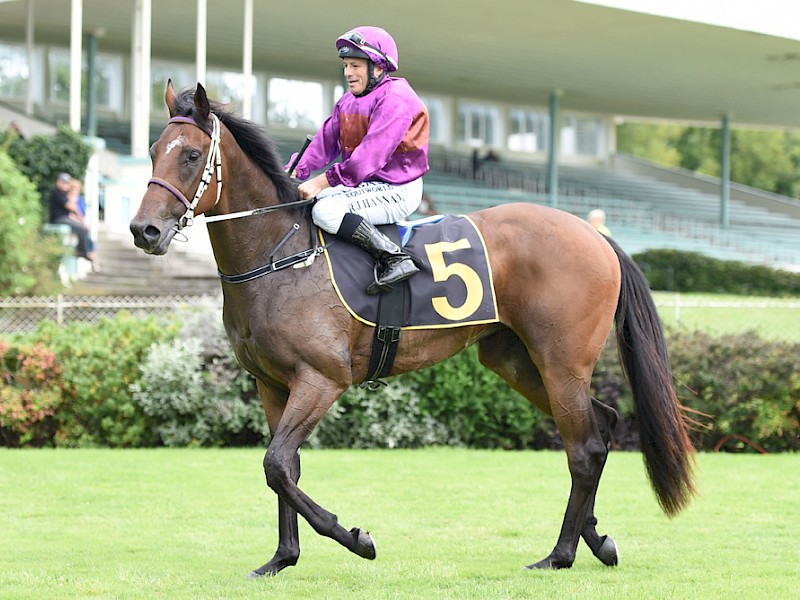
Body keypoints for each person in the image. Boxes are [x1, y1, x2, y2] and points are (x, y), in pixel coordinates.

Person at [285, 25, 430, 295]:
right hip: (366, 184)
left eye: (355, 65)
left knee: (324, 210)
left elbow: (366, 160)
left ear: (378, 67)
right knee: (306, 201)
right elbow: (322, 144)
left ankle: (394, 258)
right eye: (345, 65)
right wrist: (292, 171)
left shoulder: (395, 100)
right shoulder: (348, 102)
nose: (348, 73)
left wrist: (321, 182)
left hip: (398, 188)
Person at [48, 173, 93, 265]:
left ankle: (84, 251)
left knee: (83, 228)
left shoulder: (64, 194)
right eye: (63, 182)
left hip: (65, 217)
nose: (65, 185)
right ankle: (81, 251)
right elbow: (71, 207)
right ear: (58, 182)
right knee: (81, 228)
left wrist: (82, 220)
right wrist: (82, 220)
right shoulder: (57, 192)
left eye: (67, 183)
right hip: (58, 219)